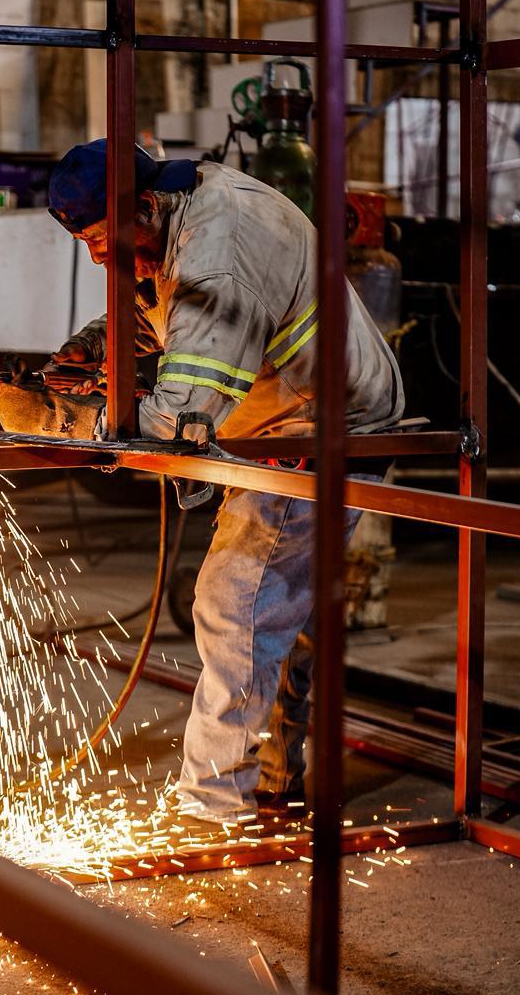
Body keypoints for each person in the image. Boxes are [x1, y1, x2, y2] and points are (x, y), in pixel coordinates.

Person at [45, 139, 404, 825]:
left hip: (323, 428)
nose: (97, 257)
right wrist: (95, 346)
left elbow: (178, 419)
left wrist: (75, 418)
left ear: (144, 205)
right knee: (281, 614)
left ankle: (213, 810)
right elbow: (167, 307)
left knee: (236, 602)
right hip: (281, 418)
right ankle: (275, 778)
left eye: (101, 240)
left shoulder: (223, 248)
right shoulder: (174, 215)